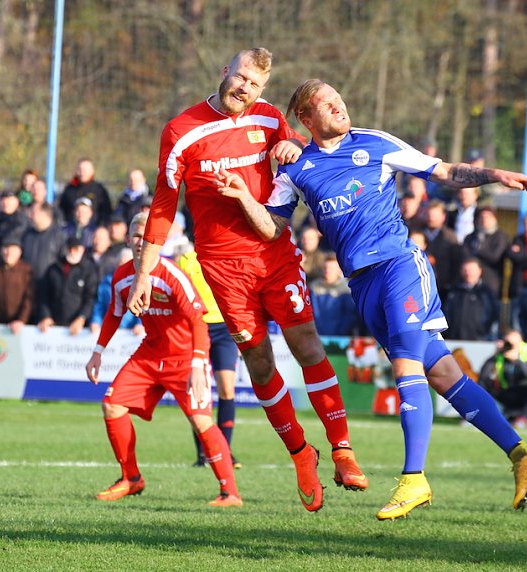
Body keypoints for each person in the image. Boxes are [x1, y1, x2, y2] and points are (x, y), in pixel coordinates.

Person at [217, 78, 527, 520]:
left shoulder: (374, 144)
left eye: (340, 98)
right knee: (444, 374)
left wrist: (493, 176)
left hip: (400, 267)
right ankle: (521, 454)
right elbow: (273, 227)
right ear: (307, 119)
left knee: (407, 365)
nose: (340, 106)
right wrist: (243, 197)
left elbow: (443, 171)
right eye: (328, 104)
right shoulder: (296, 170)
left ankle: (414, 480)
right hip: (363, 285)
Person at [127, 49, 367, 513]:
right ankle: (301, 454)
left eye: (255, 85)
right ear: (224, 73)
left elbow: (306, 148)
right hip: (222, 269)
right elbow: (162, 206)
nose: (245, 90)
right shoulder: (182, 131)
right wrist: (145, 273)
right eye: (240, 79)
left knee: (308, 346)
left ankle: (342, 449)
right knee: (257, 363)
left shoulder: (270, 117)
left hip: (274, 255)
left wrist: (293, 146)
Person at [85, 213, 241, 506]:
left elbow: (198, 321)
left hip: (184, 358)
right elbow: (114, 313)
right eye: (135, 235)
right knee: (112, 405)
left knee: (201, 421)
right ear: (127, 239)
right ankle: (130, 478)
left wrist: (197, 364)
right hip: (150, 353)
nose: (140, 241)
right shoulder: (121, 276)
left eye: (147, 236)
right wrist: (97, 352)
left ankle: (230, 493)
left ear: (158, 240)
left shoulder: (172, 274)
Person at [178, 244, 243, 469]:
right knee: (199, 392)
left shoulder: (228, 254)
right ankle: (203, 454)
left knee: (227, 389)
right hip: (198, 328)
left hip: (224, 329)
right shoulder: (185, 259)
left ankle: (225, 450)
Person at [479, 330, 527, 429]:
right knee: (482, 384)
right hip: (507, 392)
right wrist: (496, 354)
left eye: (512, 343)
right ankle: (478, 415)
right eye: (507, 343)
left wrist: (517, 360)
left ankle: (524, 419)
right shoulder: (501, 354)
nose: (509, 346)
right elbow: (483, 376)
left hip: (524, 393)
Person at [37, 237, 99, 336]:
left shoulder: (89, 270)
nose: (72, 252)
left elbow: (90, 298)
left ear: (82, 250)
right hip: (53, 326)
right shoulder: (53, 269)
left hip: (80, 328)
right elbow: (43, 295)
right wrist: (45, 316)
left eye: (76, 249)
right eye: (70, 248)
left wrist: (81, 318)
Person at [443, 258, 500, 341]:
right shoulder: (452, 292)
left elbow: (493, 316)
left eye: (472, 270)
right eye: (465, 270)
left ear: (479, 271)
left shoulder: (486, 293)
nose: (468, 273)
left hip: (479, 340)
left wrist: (484, 333)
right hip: (454, 340)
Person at [462, 205, 508, 296]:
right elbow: (465, 254)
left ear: (494, 219)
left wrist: (477, 252)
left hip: (490, 278)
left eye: (488, 217)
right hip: (470, 279)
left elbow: (495, 257)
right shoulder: (471, 237)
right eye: (482, 217)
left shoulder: (500, 236)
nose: (484, 220)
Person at [309, 254, 359, 336]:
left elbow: (350, 317)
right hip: (316, 337)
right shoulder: (314, 288)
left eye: (331, 268)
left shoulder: (346, 290)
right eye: (326, 268)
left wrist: (340, 335)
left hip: (339, 340)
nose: (328, 271)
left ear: (339, 270)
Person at [58, 158, 113, 225]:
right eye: (80, 169)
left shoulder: (99, 190)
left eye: (85, 170)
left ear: (92, 171)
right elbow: (60, 210)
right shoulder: (69, 190)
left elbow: (106, 212)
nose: (82, 172)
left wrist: (101, 228)